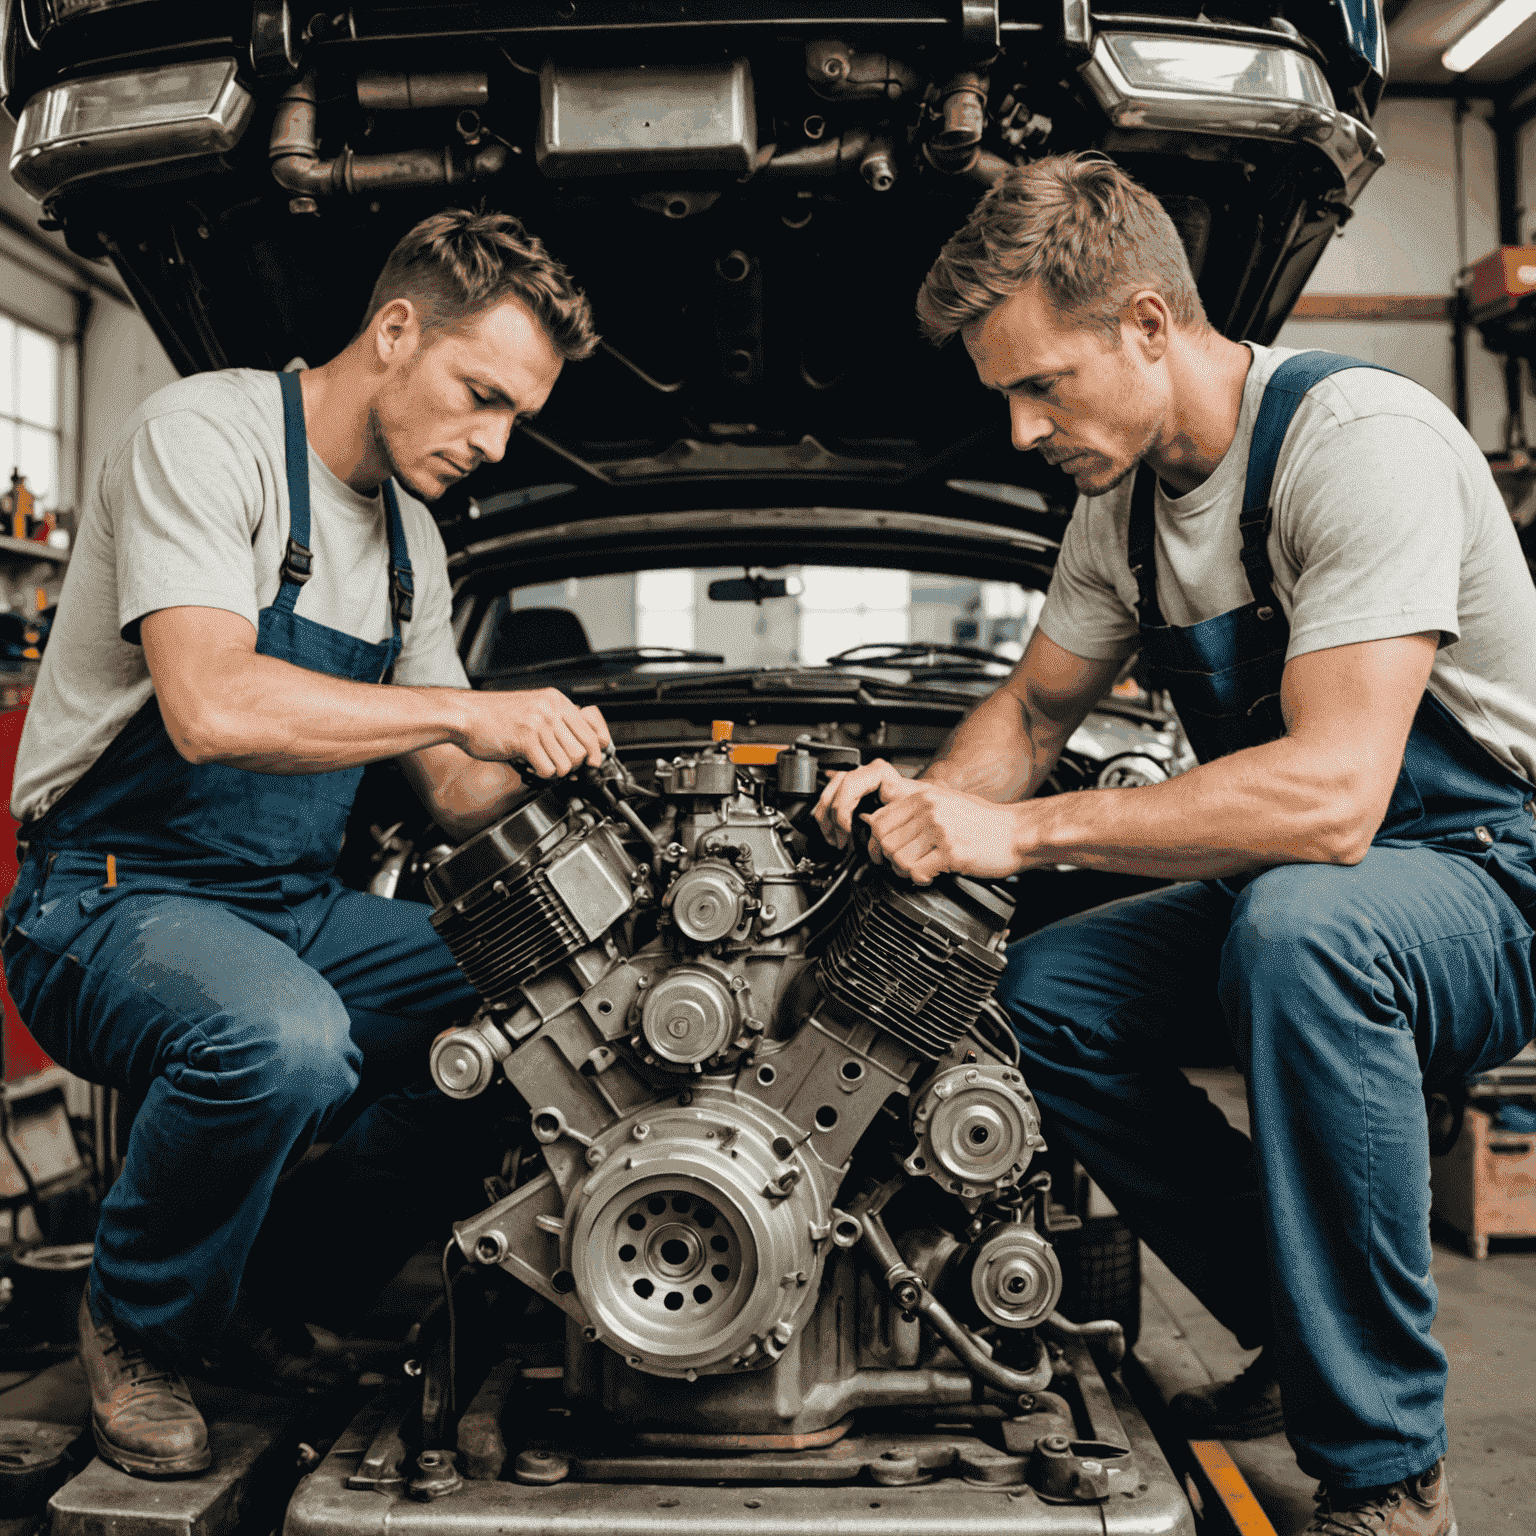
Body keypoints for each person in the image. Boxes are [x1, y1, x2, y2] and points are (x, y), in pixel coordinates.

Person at [816, 152, 1536, 1536]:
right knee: (1045, 998)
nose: (1024, 430)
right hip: (1309, 877)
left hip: (1486, 872)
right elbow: (1028, 713)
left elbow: (1333, 795)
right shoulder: (1121, 512)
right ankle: (1298, 1325)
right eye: (1008, 397)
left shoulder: (1356, 442)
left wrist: (1016, 834)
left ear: (1148, 324)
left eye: (1045, 385)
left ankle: (1386, 1469)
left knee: (1303, 935)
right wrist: (921, 815)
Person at [1, 209, 613, 1478]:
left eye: (518, 418)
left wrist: (595, 798)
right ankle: (136, 1320)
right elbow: (212, 707)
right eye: (481, 395)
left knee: (554, 1004)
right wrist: (468, 702)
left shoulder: (412, 542)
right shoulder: (208, 440)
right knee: (281, 1040)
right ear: (396, 331)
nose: (494, 444)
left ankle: (267, 1294)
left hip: (286, 904)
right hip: (109, 897)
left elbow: (448, 790)